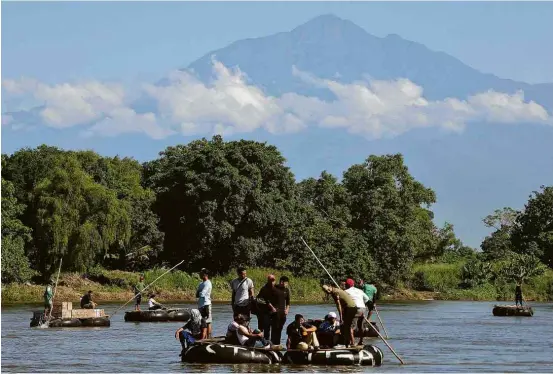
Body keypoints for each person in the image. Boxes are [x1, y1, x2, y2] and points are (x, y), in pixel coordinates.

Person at [345, 278, 369, 345]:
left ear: (347, 285)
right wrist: (362, 303)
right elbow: (367, 298)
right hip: (363, 308)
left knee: (350, 326)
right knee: (361, 327)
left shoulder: (346, 291)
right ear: (353, 284)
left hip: (355, 309)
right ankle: (361, 341)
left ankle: (352, 342)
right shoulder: (360, 290)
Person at [256, 274, 278, 340]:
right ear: (268, 280)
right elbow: (260, 299)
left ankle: (273, 343)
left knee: (275, 329)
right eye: (270, 280)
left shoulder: (277, 288)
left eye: (273, 280)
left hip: (275, 312)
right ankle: (265, 342)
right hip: (265, 312)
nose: (272, 282)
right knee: (266, 328)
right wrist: (271, 307)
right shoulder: (264, 289)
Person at [271, 275, 291, 345]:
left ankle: (278, 344)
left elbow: (288, 302)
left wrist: (287, 309)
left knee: (280, 329)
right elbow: (268, 300)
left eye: (287, 283)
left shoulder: (286, 290)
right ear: (281, 282)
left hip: (283, 313)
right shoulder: (274, 288)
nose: (286, 284)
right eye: (286, 283)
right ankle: (272, 344)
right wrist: (272, 307)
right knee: (274, 329)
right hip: (275, 312)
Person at [196, 268, 212, 339]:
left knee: (208, 321)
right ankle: (204, 336)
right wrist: (199, 293)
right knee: (202, 321)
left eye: (201, 273)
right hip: (200, 304)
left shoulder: (208, 283)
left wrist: (199, 293)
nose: (199, 275)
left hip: (206, 304)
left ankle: (208, 337)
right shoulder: (201, 284)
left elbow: (202, 294)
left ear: (205, 274)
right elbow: (197, 294)